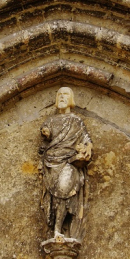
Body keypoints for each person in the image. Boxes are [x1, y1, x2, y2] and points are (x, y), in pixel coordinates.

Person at [39, 87, 92, 239]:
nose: (62, 97)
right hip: (51, 162)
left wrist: (88, 147)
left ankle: (58, 230)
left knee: (64, 190)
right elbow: (46, 134)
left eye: (65, 95)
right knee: (54, 197)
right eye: (59, 95)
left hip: (69, 161)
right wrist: (46, 132)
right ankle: (56, 227)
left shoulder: (76, 121)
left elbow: (86, 138)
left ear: (70, 99)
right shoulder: (50, 120)